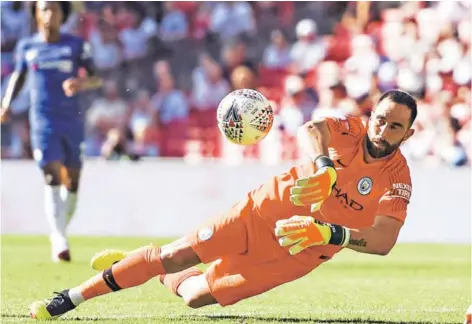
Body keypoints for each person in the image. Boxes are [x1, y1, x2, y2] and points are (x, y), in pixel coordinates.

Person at [29, 90, 416, 319]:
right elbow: (313, 129)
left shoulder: (398, 178)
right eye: (379, 120)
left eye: (395, 126)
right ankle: (71, 297)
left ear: (409, 133)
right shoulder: (350, 127)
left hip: (297, 254)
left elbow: (384, 240)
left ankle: (142, 262)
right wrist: (324, 168)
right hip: (260, 211)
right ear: (371, 116)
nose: (382, 131)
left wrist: (329, 233)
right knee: (178, 255)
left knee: (196, 298)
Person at [0, 1, 102, 262]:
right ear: (36, 14)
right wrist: (6, 104)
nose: (49, 14)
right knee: (50, 174)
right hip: (43, 122)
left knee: (73, 180)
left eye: (54, 10)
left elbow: (96, 77)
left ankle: (60, 230)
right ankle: (59, 238)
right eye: (44, 9)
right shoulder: (28, 47)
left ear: (62, 15)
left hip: (72, 121)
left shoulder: (76, 45)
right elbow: (18, 77)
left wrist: (81, 82)